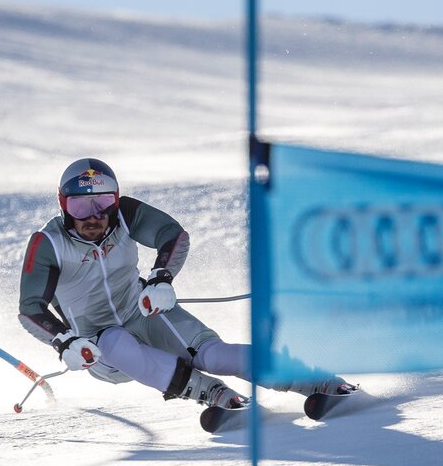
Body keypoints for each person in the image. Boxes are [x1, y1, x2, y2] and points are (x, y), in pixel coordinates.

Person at [17, 158, 353, 411]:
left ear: (115, 201)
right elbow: (30, 308)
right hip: (98, 348)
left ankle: (314, 380)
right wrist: (64, 342)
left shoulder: (124, 216)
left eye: (102, 203)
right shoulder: (49, 243)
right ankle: (209, 392)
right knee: (115, 339)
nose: (93, 216)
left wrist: (161, 278)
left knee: (215, 355)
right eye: (80, 205)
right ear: (63, 206)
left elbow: (172, 235)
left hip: (144, 314)